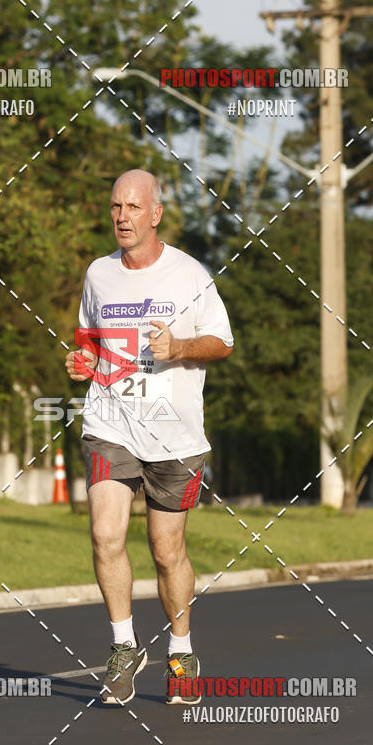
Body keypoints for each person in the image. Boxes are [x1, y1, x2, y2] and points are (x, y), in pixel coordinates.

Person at [65, 169, 233, 706]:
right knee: (106, 533)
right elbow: (89, 341)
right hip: (109, 424)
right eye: (116, 206)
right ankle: (123, 646)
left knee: (167, 551)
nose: (122, 217)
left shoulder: (189, 274)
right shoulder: (99, 274)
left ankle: (181, 651)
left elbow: (223, 342)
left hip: (175, 437)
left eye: (133, 207)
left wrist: (179, 349)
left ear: (155, 213)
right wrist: (82, 362)